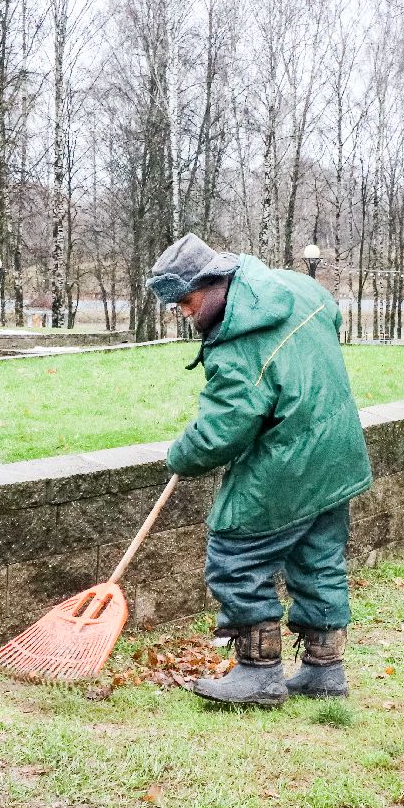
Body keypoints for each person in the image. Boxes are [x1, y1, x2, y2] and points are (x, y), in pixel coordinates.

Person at [147, 232, 373, 707]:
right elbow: (331, 315)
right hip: (338, 450)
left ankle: (259, 671)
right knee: (318, 558)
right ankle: (324, 670)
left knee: (235, 553)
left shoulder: (238, 349)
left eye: (186, 303)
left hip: (291, 461)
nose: (185, 315)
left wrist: (180, 456)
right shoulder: (297, 286)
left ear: (213, 283)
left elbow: (222, 431)